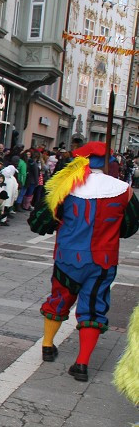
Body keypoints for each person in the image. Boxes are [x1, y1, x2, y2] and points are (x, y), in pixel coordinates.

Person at [30, 142, 139, 382]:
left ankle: (48, 346)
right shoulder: (124, 190)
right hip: (103, 260)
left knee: (59, 298)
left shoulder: (65, 187)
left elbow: (39, 223)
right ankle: (82, 363)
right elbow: (130, 227)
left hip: (67, 258)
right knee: (93, 306)